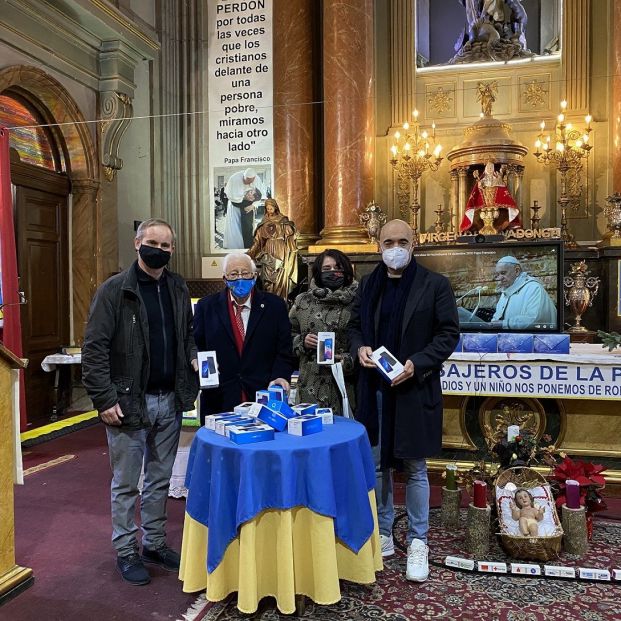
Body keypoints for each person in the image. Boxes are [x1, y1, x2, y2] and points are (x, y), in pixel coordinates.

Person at [82, 218, 199, 586]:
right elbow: (94, 348)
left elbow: (187, 336)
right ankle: (126, 550)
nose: (159, 250)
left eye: (166, 246)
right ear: (137, 243)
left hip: (171, 399)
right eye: (153, 242)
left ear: (173, 250)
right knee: (127, 483)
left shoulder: (178, 287)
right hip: (129, 401)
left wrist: (194, 358)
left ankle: (154, 543)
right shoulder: (115, 289)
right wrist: (104, 398)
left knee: (160, 479)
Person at [348, 219, 460, 582]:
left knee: (415, 467)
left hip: (413, 388)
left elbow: (447, 335)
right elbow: (354, 328)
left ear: (414, 244)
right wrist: (360, 347)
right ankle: (382, 532)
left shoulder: (435, 284)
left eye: (402, 241)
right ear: (377, 245)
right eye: (388, 241)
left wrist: (417, 364)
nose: (395, 247)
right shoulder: (368, 285)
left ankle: (417, 540)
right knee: (378, 465)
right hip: (376, 391)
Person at [193, 252, 293, 422]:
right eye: (233, 274)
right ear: (224, 278)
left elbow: (284, 349)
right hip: (219, 397)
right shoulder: (206, 306)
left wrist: (281, 375)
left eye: (245, 273)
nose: (240, 278)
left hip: (263, 395)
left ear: (255, 276)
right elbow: (197, 344)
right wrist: (198, 362)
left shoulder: (275, 306)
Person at [289, 249, 358, 413]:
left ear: (347, 270)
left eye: (337, 267)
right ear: (318, 272)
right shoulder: (302, 301)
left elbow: (368, 341)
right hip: (310, 385)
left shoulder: (358, 300)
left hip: (346, 385)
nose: (333, 272)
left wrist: (348, 359)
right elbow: (286, 337)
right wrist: (302, 341)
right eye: (327, 269)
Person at [247, 198, 298, 300]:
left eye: (271, 208)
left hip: (281, 250)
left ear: (275, 208)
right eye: (267, 208)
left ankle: (281, 300)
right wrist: (250, 253)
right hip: (268, 251)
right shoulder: (263, 222)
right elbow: (258, 241)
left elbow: (291, 234)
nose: (269, 210)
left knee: (280, 274)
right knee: (267, 279)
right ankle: (269, 301)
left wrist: (289, 228)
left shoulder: (283, 221)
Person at [491, 255, 557, 329]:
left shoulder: (533, 288)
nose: (500, 278)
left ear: (517, 270)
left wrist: (505, 324)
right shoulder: (506, 291)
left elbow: (535, 319)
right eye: (498, 274)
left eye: (503, 273)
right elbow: (497, 317)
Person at [460, 161, 521, 233]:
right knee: (485, 213)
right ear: (485, 169)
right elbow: (479, 187)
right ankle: (486, 227)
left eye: (491, 168)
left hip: (494, 204)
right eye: (488, 168)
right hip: (485, 202)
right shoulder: (482, 180)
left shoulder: (496, 179)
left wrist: (499, 178)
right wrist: (480, 183)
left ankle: (493, 227)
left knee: (494, 213)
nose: (490, 169)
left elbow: (502, 187)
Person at [223, 167, 266, 249]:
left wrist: (253, 205)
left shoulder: (257, 179)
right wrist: (243, 198)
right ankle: (238, 245)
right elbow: (230, 196)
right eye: (246, 181)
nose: (248, 185)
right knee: (235, 227)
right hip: (235, 205)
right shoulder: (234, 178)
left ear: (254, 179)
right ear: (243, 176)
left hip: (249, 205)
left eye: (250, 183)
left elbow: (261, 196)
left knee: (248, 226)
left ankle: (248, 245)